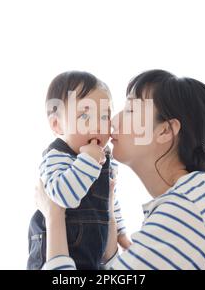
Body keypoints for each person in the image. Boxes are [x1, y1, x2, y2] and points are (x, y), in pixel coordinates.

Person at [35, 69, 205, 270]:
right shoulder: (189, 204)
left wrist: (54, 215)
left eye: (130, 110)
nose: (113, 121)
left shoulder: (181, 216)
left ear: (165, 131)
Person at [27, 71, 131, 270]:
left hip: (91, 253)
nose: (97, 126)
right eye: (85, 115)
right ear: (57, 125)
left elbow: (111, 202)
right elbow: (63, 198)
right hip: (52, 255)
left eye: (104, 116)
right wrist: (89, 160)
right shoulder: (56, 156)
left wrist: (121, 234)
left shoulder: (104, 160)